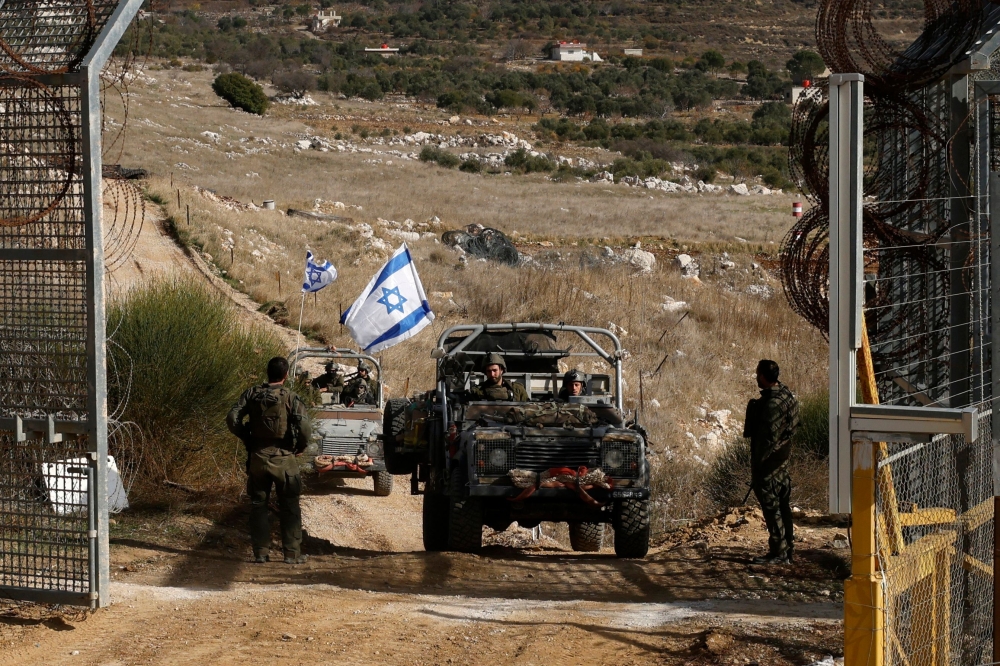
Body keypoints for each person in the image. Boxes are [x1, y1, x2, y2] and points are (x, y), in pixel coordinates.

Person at [227, 356, 312, 564]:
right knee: (290, 505)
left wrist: (246, 437)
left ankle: (260, 553)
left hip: (257, 457)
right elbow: (304, 427)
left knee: (258, 505)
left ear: (267, 372)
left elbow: (232, 418)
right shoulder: (291, 397)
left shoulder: (252, 394)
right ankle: (292, 554)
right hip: (284, 458)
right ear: (286, 375)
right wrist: (300, 446)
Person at [743, 359, 800, 564]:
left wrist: (758, 467)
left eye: (758, 374)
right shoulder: (786, 396)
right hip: (781, 463)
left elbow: (768, 439)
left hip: (769, 466)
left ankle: (779, 551)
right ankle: (788, 547)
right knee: (782, 506)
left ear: (763, 377)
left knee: (772, 508)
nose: (756, 377)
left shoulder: (772, 405)